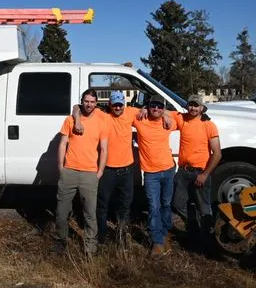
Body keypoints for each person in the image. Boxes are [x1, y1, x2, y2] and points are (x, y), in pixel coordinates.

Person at [75, 90, 139, 245]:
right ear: (109, 104)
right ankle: (102, 237)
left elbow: (152, 111)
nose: (117, 108)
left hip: (127, 170)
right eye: (115, 105)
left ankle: (122, 236)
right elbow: (77, 107)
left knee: (125, 205)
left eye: (120, 105)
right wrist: (77, 120)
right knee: (102, 205)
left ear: (124, 104)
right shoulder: (102, 115)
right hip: (108, 170)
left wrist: (161, 114)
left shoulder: (131, 113)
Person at [55, 88, 109, 255]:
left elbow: (104, 149)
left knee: (90, 214)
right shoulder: (70, 120)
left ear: (96, 103)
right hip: (69, 171)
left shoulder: (101, 121)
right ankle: (61, 241)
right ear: (81, 102)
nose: (89, 105)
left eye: (92, 102)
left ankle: (90, 248)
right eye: (86, 101)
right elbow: (62, 144)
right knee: (61, 212)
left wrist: (100, 171)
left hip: (89, 174)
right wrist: (61, 167)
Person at [172, 95, 222, 253]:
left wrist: (205, 174)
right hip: (183, 172)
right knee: (178, 204)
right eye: (190, 105)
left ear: (202, 108)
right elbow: (164, 112)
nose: (193, 108)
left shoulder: (209, 125)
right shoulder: (182, 119)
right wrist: (144, 109)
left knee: (204, 207)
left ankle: (207, 240)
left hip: (200, 172)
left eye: (196, 106)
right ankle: (193, 230)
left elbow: (217, 153)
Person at [134, 97, 177, 256]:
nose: (156, 109)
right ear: (148, 106)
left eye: (160, 106)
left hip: (168, 170)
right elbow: (121, 112)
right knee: (153, 206)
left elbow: (184, 115)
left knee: (166, 204)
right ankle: (157, 241)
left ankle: (165, 234)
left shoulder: (169, 121)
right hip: (151, 173)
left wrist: (166, 114)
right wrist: (143, 109)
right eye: (153, 106)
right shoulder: (140, 120)